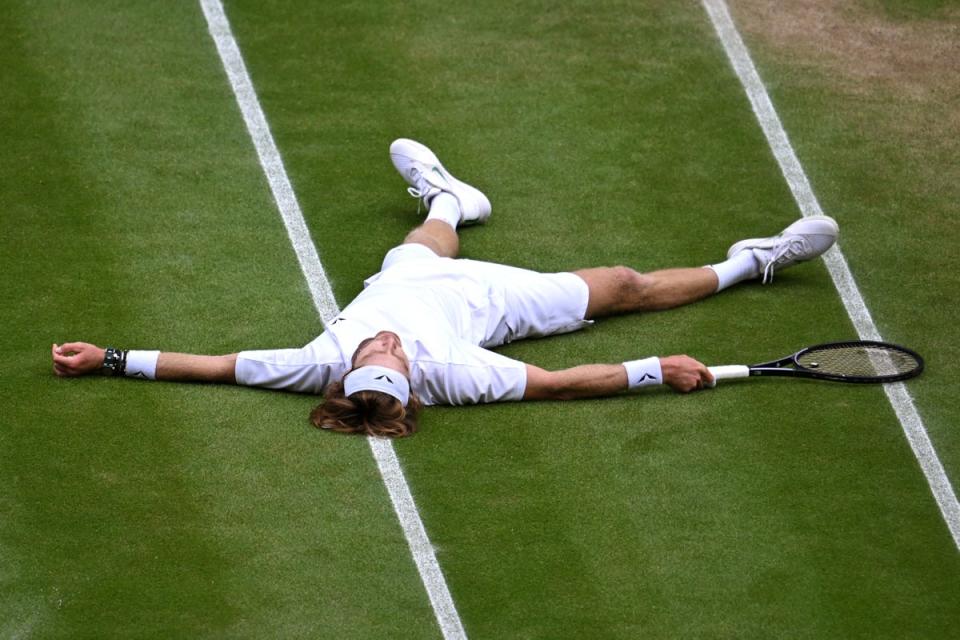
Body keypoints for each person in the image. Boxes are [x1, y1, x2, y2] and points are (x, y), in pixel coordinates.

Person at [52, 138, 839, 437]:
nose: (384, 342)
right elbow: (563, 384)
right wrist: (652, 369)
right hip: (492, 305)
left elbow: (213, 365)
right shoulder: (461, 377)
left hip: (419, 273)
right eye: (389, 354)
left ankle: (451, 199)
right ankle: (754, 262)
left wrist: (109, 358)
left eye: (375, 349)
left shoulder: (312, 363)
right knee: (625, 285)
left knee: (418, 247)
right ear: (407, 381)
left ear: (346, 369)